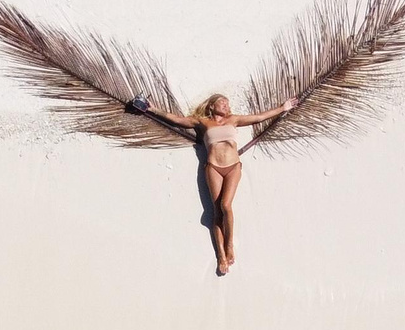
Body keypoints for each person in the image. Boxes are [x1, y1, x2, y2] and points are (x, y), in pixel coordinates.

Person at [125, 91, 297, 275]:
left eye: (227, 103)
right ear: (212, 106)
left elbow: (259, 117)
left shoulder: (234, 119)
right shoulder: (202, 122)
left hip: (233, 166)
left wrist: (283, 108)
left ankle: (229, 244)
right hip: (213, 167)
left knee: (226, 205)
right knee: (216, 212)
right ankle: (221, 256)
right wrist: (152, 109)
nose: (226, 105)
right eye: (222, 103)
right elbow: (176, 120)